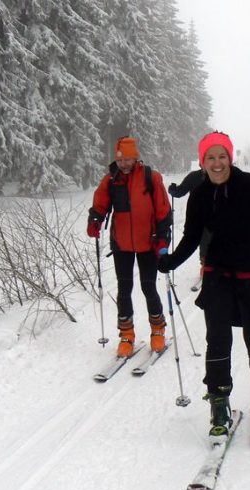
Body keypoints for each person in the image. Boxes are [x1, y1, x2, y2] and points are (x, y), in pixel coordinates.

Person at [157, 131, 250, 437]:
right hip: (217, 275)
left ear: (230, 158)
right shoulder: (200, 194)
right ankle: (219, 400)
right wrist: (172, 260)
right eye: (210, 158)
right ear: (203, 162)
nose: (217, 163)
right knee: (217, 338)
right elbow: (191, 236)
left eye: (222, 156)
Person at [87, 136, 172, 357]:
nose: (124, 164)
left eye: (128, 159)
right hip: (121, 244)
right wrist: (95, 220)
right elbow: (100, 204)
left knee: (148, 287)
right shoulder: (111, 180)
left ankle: (157, 329)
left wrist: (163, 238)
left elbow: (163, 211)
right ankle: (126, 335)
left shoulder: (150, 178)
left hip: (148, 243)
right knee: (124, 290)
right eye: (121, 160)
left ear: (136, 158)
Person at [168, 170, 211, 287]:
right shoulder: (194, 176)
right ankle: (205, 266)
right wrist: (173, 190)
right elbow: (181, 191)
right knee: (203, 240)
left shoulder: (223, 175)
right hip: (198, 216)